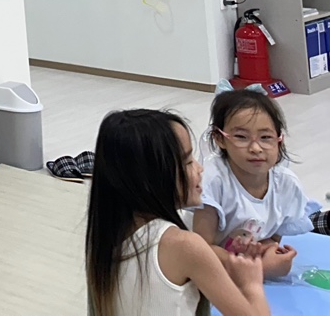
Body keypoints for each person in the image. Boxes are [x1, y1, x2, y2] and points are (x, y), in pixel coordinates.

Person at [85, 108, 270, 316]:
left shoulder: (106, 235)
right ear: (153, 178)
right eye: (188, 161)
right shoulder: (184, 246)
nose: (200, 168)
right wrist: (251, 284)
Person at [191, 89, 319, 275]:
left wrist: (270, 252)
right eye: (241, 137)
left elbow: (271, 238)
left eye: (266, 137)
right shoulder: (213, 181)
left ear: (279, 140)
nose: (256, 148)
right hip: (205, 266)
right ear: (219, 139)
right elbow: (200, 250)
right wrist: (260, 268)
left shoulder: (286, 185)